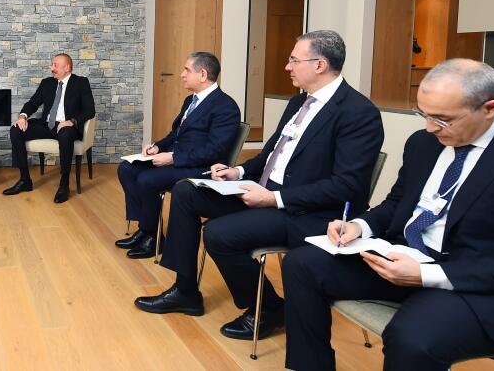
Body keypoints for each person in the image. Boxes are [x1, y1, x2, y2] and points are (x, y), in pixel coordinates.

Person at [282, 59, 494, 371]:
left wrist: (425, 275)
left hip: (469, 279)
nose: (430, 127)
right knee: (301, 264)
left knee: (411, 340)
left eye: (443, 119)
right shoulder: (423, 143)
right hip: (404, 256)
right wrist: (360, 226)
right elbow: (397, 203)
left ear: (490, 108)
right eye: (424, 114)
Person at [134, 30, 384, 344]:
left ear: (319, 65)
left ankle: (269, 308)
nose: (287, 66)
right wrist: (237, 171)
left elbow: (346, 186)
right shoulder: (298, 103)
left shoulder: (358, 113)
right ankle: (185, 291)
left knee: (218, 233)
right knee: (186, 191)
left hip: (305, 211)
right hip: (263, 191)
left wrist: (274, 198)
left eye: (294, 60)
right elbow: (270, 154)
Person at [115, 51, 240, 258]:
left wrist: (173, 157)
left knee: (147, 179)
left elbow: (214, 150)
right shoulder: (190, 100)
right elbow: (176, 135)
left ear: (202, 74)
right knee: (127, 168)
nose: (182, 74)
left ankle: (152, 238)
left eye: (186, 70)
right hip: (179, 158)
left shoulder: (225, 106)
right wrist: (157, 147)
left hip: (202, 168)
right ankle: (147, 229)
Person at [3, 53, 96, 203]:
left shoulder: (80, 83)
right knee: (16, 130)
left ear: (67, 68)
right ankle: (25, 180)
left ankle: (64, 185)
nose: (51, 68)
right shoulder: (47, 83)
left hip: (67, 127)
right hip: (46, 125)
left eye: (55, 65)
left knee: (65, 134)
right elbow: (33, 102)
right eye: (52, 65)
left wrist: (72, 121)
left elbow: (90, 110)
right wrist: (22, 116)